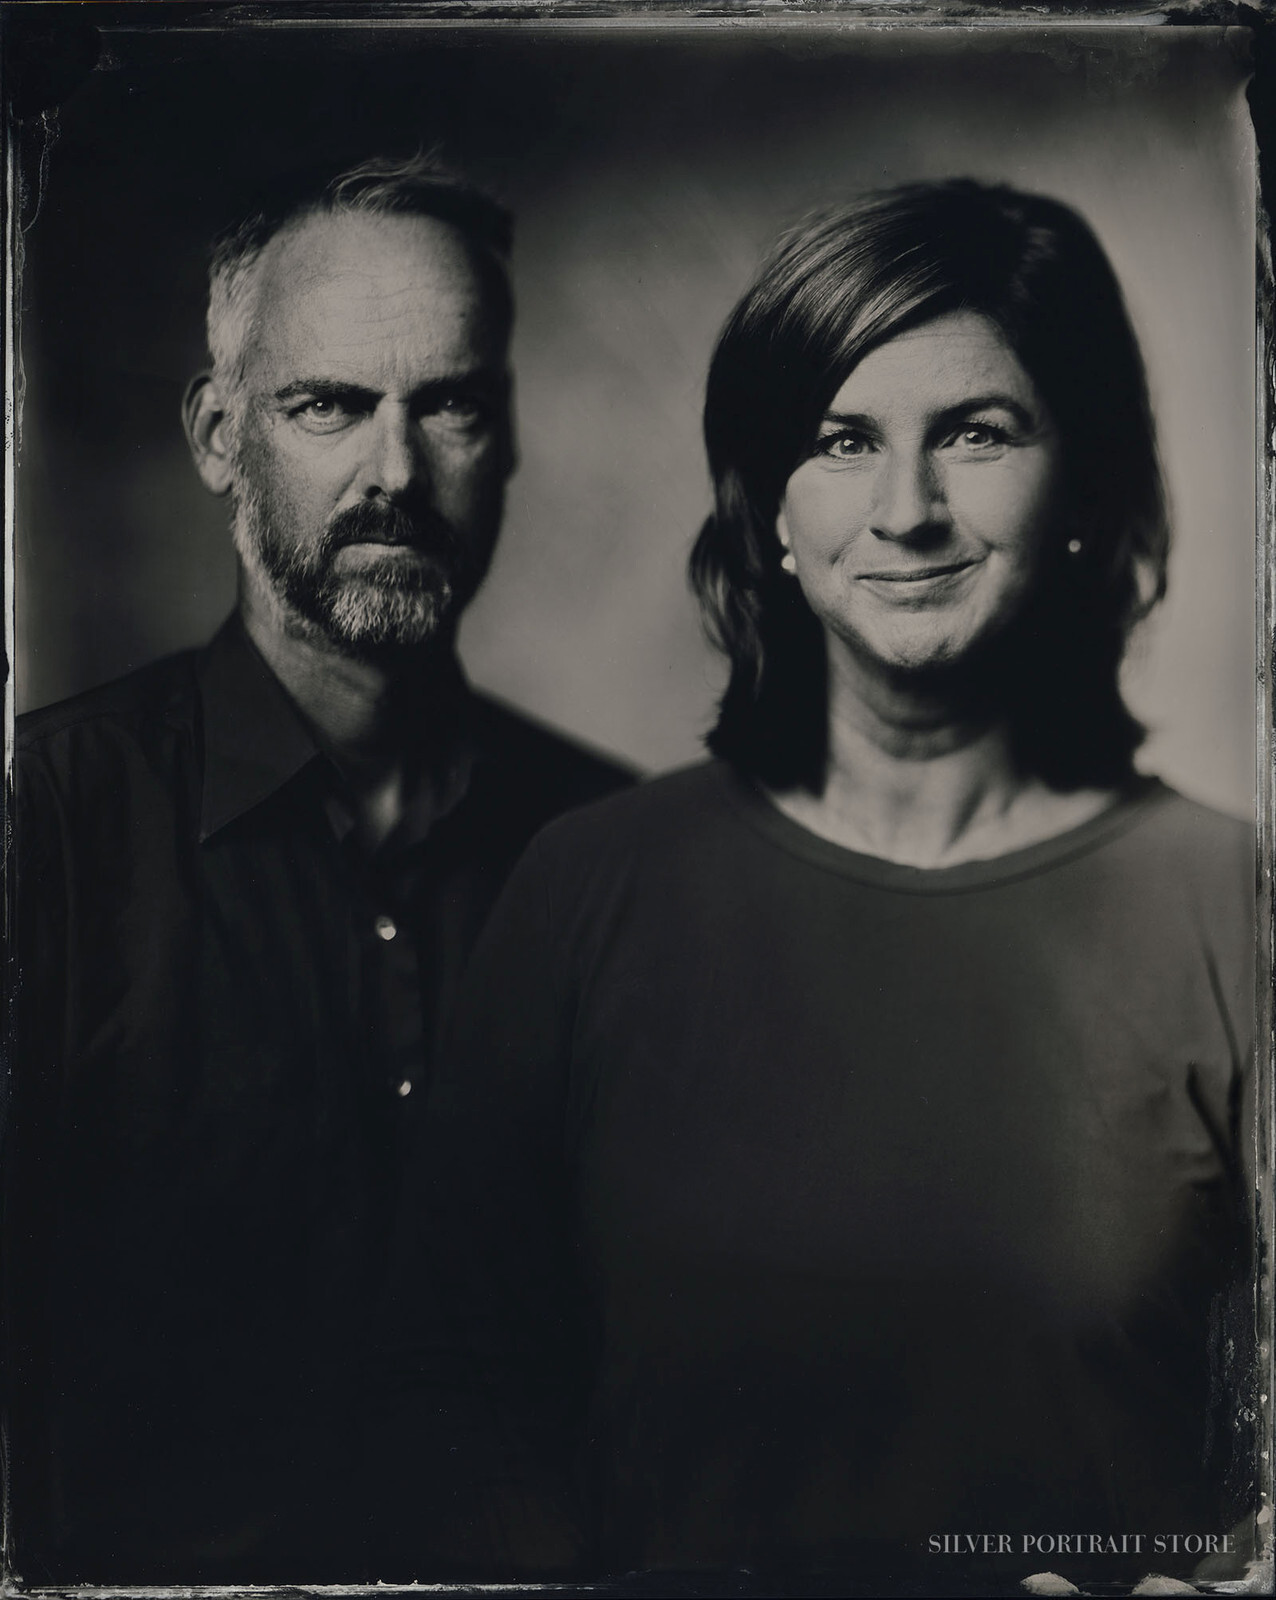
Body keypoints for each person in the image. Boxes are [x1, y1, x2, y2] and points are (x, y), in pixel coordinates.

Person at [418, 180, 1258, 1591]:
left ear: (1085, 489)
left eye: (979, 435)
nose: (908, 509)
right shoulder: (588, 892)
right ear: (772, 515)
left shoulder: (1233, 911)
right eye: (842, 440)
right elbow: (440, 1409)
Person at [7, 153, 631, 1584]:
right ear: (219, 433)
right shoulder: (42, 832)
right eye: (327, 406)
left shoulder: (620, 862)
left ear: (511, 437)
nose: (395, 473)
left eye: (450, 403)